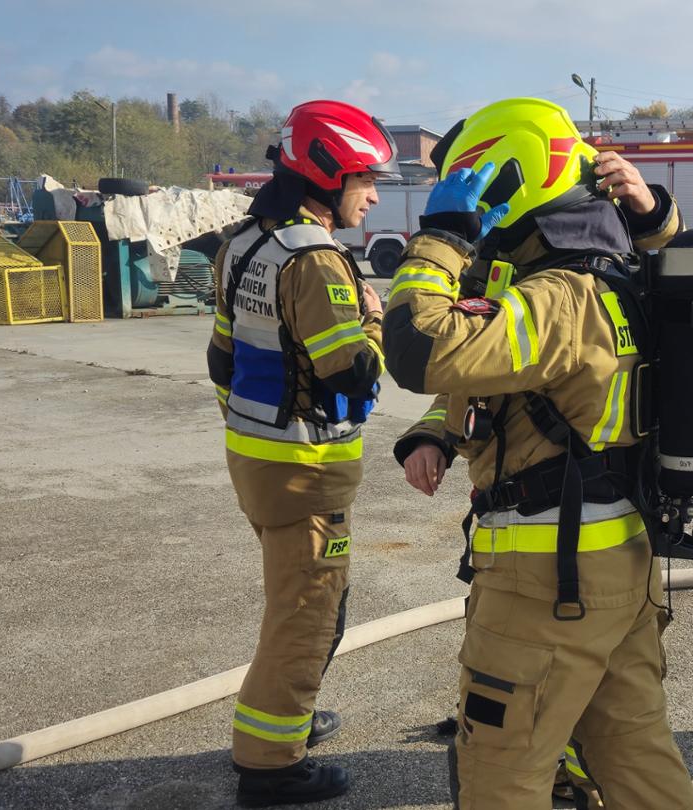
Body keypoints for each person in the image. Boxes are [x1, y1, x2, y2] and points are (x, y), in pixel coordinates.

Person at [381, 97, 693, 810]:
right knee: (634, 750)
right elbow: (512, 382)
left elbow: (416, 344)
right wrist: (440, 429)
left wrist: (441, 235)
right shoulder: (607, 277)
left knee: (499, 772)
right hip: (619, 564)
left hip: (544, 581)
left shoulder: (557, 296)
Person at [206, 99, 397, 807]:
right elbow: (350, 376)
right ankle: (269, 766)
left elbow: (221, 360)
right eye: (365, 179)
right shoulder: (316, 260)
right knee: (308, 612)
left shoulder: (244, 243)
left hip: (256, 458)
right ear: (326, 175)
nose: (374, 193)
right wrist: (374, 321)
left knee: (297, 601)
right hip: (306, 470)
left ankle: (290, 716)